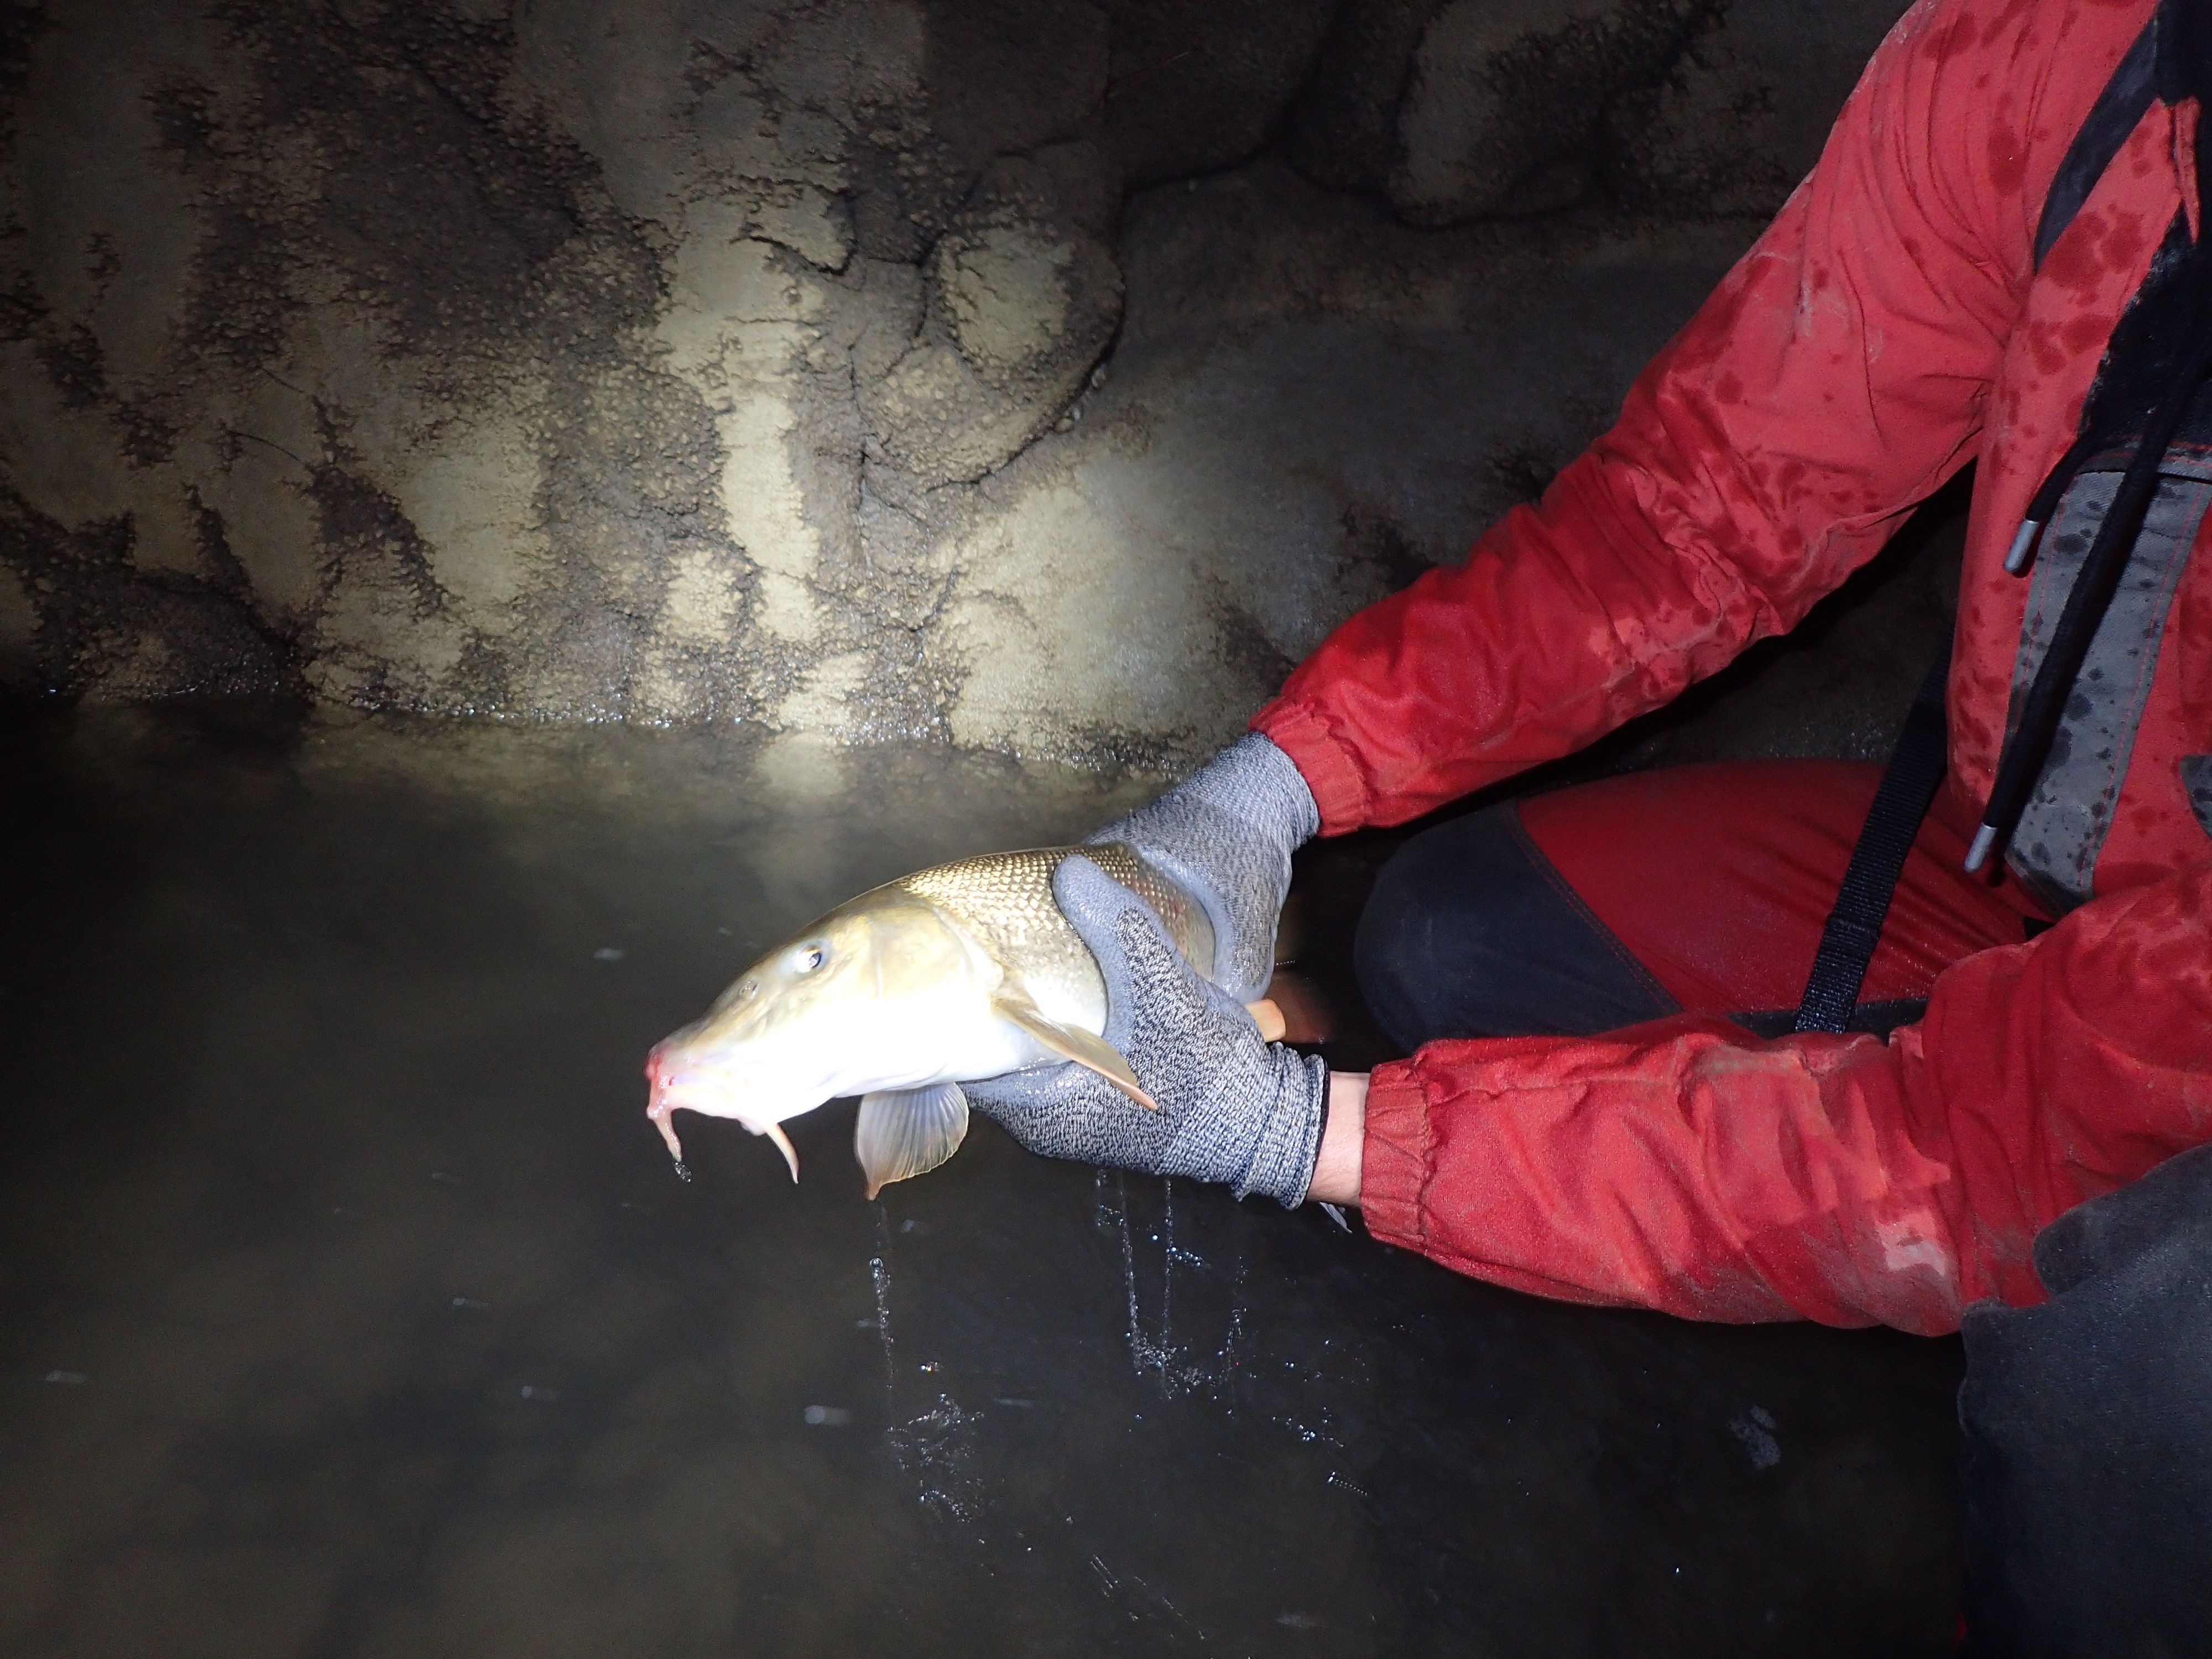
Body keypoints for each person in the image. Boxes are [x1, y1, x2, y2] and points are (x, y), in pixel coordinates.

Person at [967, 0, 2212, 1649]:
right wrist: (1271, 785)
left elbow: (1994, 1146)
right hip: (2027, 883)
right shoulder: (2066, 50)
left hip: (2152, 1071)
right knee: (1460, 939)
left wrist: (1311, 1140)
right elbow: (1703, 513)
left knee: (2117, 1320)